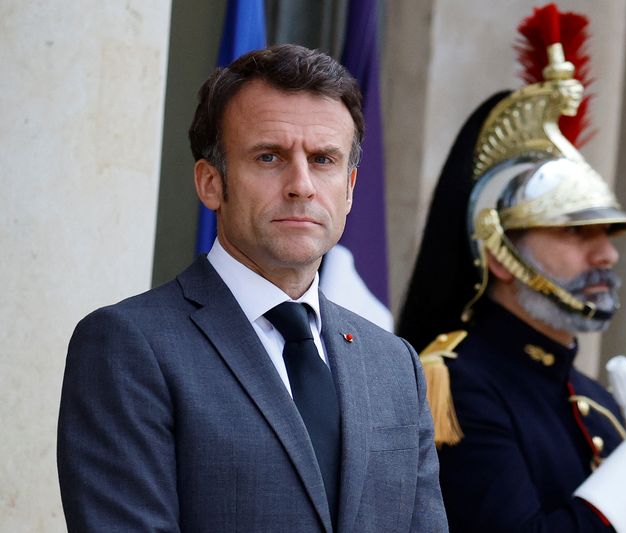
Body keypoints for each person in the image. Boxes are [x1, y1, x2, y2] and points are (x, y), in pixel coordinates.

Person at [57, 44, 447, 533]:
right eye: (269, 156)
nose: (301, 184)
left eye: (323, 159)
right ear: (210, 182)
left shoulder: (394, 363)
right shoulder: (128, 344)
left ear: (349, 189)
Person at [398, 6, 626, 532]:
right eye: (576, 232)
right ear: (499, 252)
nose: (607, 255)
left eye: (608, 233)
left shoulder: (594, 399)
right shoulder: (454, 385)